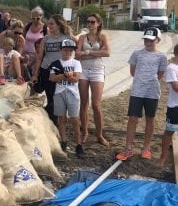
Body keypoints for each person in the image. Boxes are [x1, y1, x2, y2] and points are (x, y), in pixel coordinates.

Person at [116, 27, 167, 161]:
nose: (148, 42)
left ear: (158, 40)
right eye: (146, 39)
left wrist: (149, 80)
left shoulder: (162, 56)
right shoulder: (136, 53)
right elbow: (133, 71)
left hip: (152, 92)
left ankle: (146, 148)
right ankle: (128, 148)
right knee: (132, 118)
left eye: (151, 40)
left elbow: (160, 74)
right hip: (137, 91)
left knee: (150, 119)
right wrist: (141, 80)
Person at [30, 14, 76, 125]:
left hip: (60, 72)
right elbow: (39, 57)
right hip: (46, 70)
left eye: (51, 24)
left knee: (58, 98)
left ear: (59, 25)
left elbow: (78, 46)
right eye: (48, 24)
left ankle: (55, 123)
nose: (48, 26)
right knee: (50, 97)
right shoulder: (46, 38)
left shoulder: (67, 37)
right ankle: (52, 123)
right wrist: (35, 74)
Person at [75, 13, 110, 147]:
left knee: (96, 104)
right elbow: (77, 54)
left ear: (98, 23)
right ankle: (85, 132)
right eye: (88, 21)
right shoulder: (82, 37)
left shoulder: (102, 37)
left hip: (97, 71)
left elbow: (107, 53)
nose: (89, 24)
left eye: (92, 22)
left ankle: (99, 134)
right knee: (84, 103)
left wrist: (87, 52)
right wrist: (95, 53)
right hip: (83, 70)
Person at [49, 39, 83, 156]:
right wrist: (66, 75)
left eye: (70, 50)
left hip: (73, 93)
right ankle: (63, 141)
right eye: (65, 50)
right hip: (59, 93)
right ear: (61, 50)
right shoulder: (55, 63)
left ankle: (79, 144)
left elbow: (76, 78)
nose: (67, 52)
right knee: (61, 119)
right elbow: (52, 78)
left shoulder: (76, 63)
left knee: (74, 119)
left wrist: (63, 76)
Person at [157, 44, 178, 167]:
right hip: (175, 106)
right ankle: (162, 158)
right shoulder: (172, 68)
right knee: (169, 132)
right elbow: (176, 88)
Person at [23, 6, 47, 77]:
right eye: (33, 18)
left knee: (34, 77)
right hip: (26, 56)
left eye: (38, 18)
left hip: (37, 57)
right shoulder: (28, 26)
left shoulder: (45, 28)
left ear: (41, 17)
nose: (35, 20)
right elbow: (22, 38)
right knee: (24, 77)